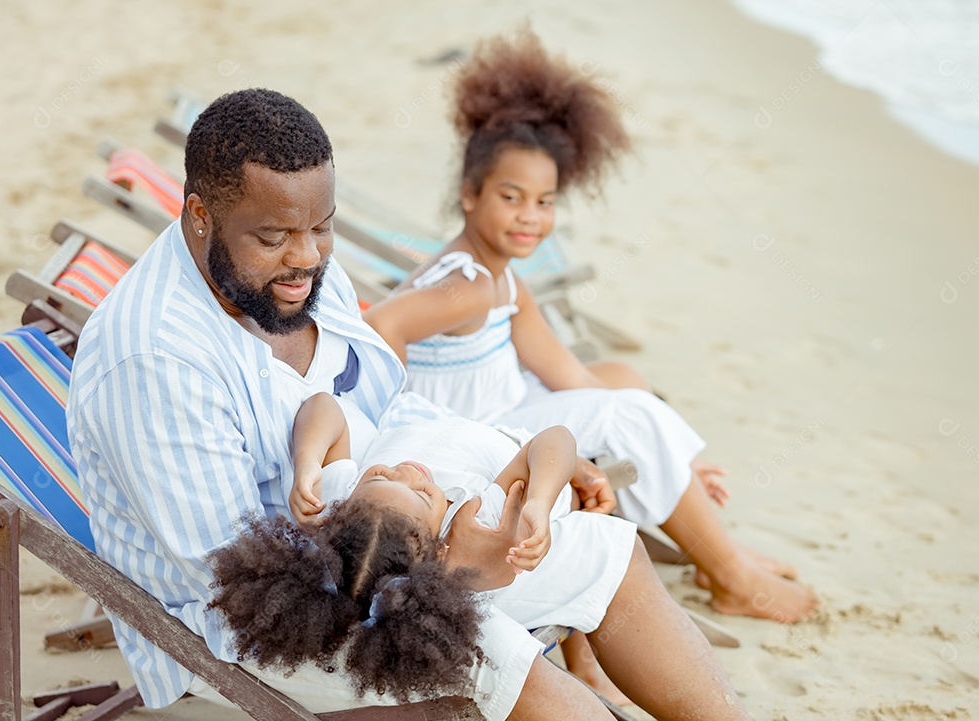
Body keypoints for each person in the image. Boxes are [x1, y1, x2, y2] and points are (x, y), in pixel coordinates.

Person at [66, 87, 748, 720]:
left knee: (610, 552)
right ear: (199, 216)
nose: (305, 259)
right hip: (250, 623)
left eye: (321, 228)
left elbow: (381, 405)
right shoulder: (156, 359)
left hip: (386, 526)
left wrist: (493, 484)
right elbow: (225, 578)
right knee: (497, 653)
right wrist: (446, 567)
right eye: (273, 237)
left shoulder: (292, 278)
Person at [362, 27, 818, 633]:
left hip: (501, 404)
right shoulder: (467, 282)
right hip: (468, 430)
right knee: (630, 416)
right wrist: (403, 415)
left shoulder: (504, 280)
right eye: (511, 196)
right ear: (469, 195)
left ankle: (701, 521)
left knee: (621, 380)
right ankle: (731, 575)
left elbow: (571, 375)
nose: (531, 216)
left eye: (545, 202)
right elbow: (386, 320)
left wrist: (673, 459)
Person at [214, 396, 752, 721]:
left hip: (436, 416)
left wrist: (308, 463)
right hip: (497, 448)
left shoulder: (352, 504)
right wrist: (540, 499)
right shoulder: (479, 515)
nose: (406, 469)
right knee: (614, 551)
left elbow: (323, 409)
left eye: (381, 474)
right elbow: (556, 440)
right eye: (421, 493)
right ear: (441, 549)